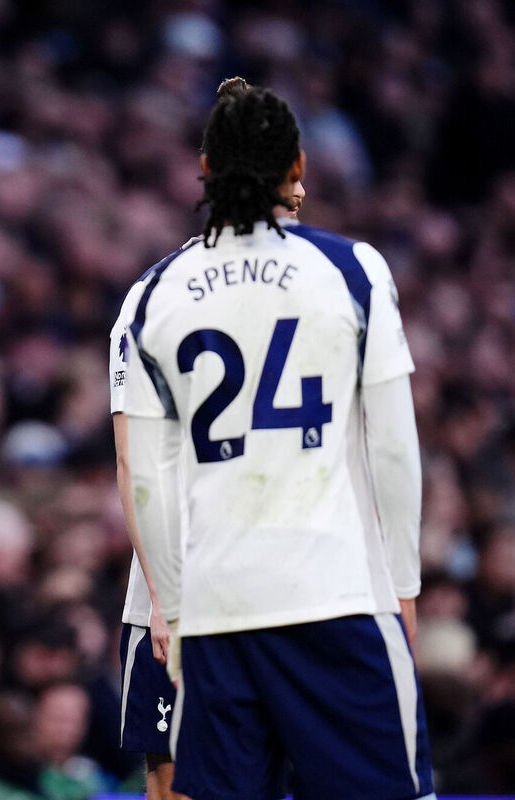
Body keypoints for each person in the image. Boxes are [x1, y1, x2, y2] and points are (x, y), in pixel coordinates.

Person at [120, 84, 434, 799]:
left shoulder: (155, 293)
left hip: (215, 605)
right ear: (298, 165)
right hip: (332, 593)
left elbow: (147, 479)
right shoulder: (352, 269)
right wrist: (405, 587)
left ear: (204, 167)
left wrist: (172, 603)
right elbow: (393, 447)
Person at [107, 76, 302, 800]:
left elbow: (136, 460)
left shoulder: (156, 291)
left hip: (217, 585)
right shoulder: (336, 285)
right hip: (276, 589)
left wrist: (167, 594)